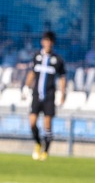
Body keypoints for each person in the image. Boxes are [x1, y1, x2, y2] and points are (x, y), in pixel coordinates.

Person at [24, 31, 67, 161]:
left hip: (49, 95)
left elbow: (62, 77)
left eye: (49, 41)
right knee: (32, 122)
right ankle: (38, 143)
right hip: (36, 94)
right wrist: (26, 87)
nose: (47, 43)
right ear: (42, 42)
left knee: (47, 124)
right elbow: (32, 73)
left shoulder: (57, 59)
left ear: (52, 43)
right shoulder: (37, 56)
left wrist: (62, 93)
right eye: (45, 40)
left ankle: (46, 150)